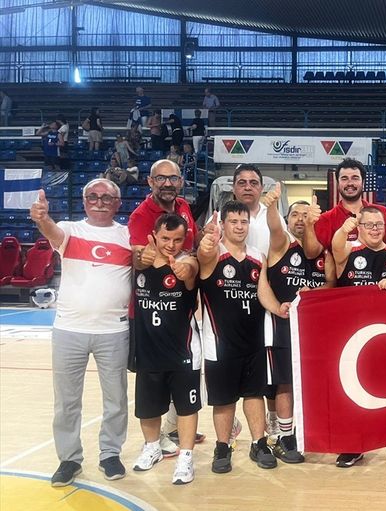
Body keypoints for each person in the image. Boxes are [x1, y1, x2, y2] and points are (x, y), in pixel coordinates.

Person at [30, 179, 133, 486]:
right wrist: (42, 218)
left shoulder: (128, 235)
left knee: (116, 399)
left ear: (117, 203)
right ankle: (69, 459)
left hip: (113, 331)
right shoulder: (69, 229)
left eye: (106, 197)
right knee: (66, 401)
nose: (99, 202)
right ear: (85, 201)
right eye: (93, 196)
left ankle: (110, 454)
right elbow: (52, 232)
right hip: (69, 330)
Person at [331, 206, 386, 469]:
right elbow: (336, 246)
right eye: (369, 225)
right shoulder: (349, 250)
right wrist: (343, 229)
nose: (375, 229)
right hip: (351, 336)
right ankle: (354, 446)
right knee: (352, 393)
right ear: (359, 227)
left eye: (379, 225)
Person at [129, 159, 204, 453]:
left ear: (181, 182)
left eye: (172, 178)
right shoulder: (140, 216)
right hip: (152, 308)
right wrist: (144, 257)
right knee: (153, 380)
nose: (167, 183)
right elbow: (139, 258)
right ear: (150, 182)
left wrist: (194, 258)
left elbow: (191, 248)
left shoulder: (183, 207)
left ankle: (174, 429)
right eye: (160, 178)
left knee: (182, 374)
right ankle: (155, 440)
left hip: (181, 304)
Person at [198, 200, 277, 473]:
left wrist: (279, 308)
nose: (240, 226)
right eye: (233, 221)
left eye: (244, 221)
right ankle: (223, 447)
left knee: (255, 395)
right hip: (220, 343)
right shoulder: (213, 253)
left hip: (254, 340)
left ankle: (259, 443)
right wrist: (207, 241)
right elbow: (203, 254)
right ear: (223, 224)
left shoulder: (258, 257)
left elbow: (263, 291)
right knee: (224, 400)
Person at [256, 185, 326, 464]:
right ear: (287, 219)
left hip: (313, 330)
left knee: (307, 383)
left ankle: (301, 430)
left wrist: (315, 293)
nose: (300, 219)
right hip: (282, 325)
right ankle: (285, 437)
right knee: (284, 383)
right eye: (295, 214)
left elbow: (332, 285)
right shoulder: (281, 243)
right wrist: (272, 205)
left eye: (305, 215)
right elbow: (274, 227)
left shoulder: (319, 251)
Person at [131, 213, 201, 485]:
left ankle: (186, 457)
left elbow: (191, 269)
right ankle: (152, 448)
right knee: (147, 408)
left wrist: (186, 270)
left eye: (177, 240)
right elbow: (136, 257)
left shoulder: (186, 261)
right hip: (148, 350)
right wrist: (140, 257)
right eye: (165, 238)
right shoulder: (141, 259)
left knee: (186, 407)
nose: (171, 245)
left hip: (182, 352)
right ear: (154, 236)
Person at [314, 158, 386, 257]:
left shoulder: (382, 212)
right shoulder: (326, 218)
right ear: (338, 183)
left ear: (363, 182)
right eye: (344, 178)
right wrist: (308, 224)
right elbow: (313, 254)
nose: (350, 183)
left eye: (355, 178)